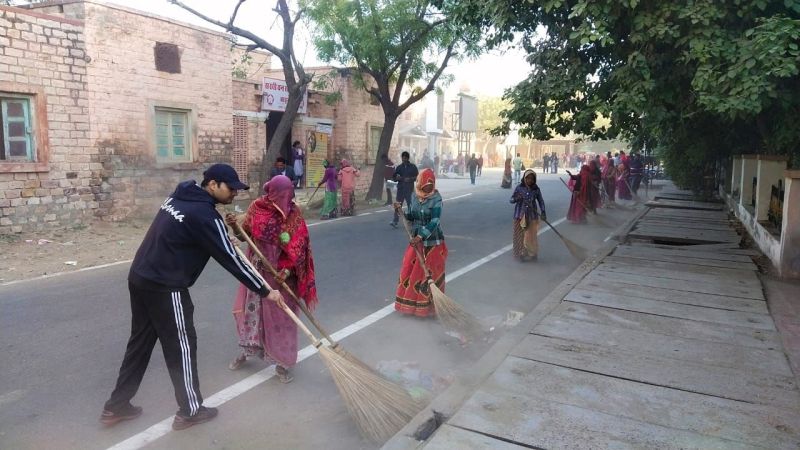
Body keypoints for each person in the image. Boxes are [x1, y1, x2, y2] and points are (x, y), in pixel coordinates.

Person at [99, 164, 280, 430]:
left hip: (140, 277)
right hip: (165, 285)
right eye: (230, 189)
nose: (234, 195)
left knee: (140, 343)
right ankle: (190, 410)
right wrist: (266, 289)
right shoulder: (205, 215)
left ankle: (116, 406)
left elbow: (200, 238)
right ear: (214, 184)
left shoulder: (181, 196)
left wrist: (223, 240)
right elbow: (232, 260)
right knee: (182, 346)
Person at [226, 175, 317, 384]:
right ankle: (247, 350)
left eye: (289, 194)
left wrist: (285, 271)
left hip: (284, 278)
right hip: (258, 274)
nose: (287, 198)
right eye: (283, 195)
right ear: (273, 193)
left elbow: (300, 248)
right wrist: (235, 227)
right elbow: (244, 236)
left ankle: (282, 364)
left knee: (283, 320)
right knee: (253, 315)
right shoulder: (257, 208)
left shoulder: (294, 215)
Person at [394, 168, 447, 317]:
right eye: (426, 184)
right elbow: (410, 216)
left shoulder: (437, 199)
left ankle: (429, 308)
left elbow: (435, 221)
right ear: (420, 183)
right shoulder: (414, 196)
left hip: (433, 242)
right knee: (410, 271)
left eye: (431, 184)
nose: (429, 187)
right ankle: (410, 306)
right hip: (416, 241)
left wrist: (421, 236)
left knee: (431, 275)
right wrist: (400, 211)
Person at [510, 169, 546, 261]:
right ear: (524, 178)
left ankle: (532, 254)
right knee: (520, 235)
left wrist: (543, 212)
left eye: (532, 179)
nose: (530, 180)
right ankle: (521, 253)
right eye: (528, 178)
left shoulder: (536, 189)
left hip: (532, 216)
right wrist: (517, 198)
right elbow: (511, 200)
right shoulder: (519, 188)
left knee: (530, 236)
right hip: (519, 216)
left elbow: (541, 201)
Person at [390, 151, 419, 229]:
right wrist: (397, 178)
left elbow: (417, 177)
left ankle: (413, 221)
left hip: (409, 189)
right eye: (402, 158)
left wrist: (410, 179)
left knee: (410, 206)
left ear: (407, 158)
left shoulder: (413, 167)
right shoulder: (399, 167)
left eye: (405, 158)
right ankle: (395, 221)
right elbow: (394, 177)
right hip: (401, 189)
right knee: (398, 206)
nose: (404, 159)